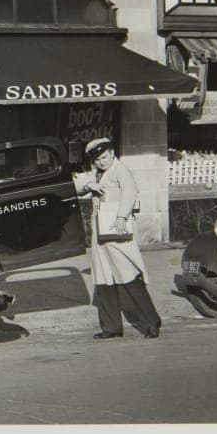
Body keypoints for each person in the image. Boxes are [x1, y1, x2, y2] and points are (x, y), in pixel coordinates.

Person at [79, 137, 162, 339]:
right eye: (97, 159)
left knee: (129, 277)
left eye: (104, 157)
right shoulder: (98, 173)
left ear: (112, 153)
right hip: (101, 234)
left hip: (117, 233)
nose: (101, 162)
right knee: (104, 280)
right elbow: (80, 189)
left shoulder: (120, 170)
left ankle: (152, 322)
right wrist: (89, 186)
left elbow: (131, 192)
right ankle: (112, 327)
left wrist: (121, 217)